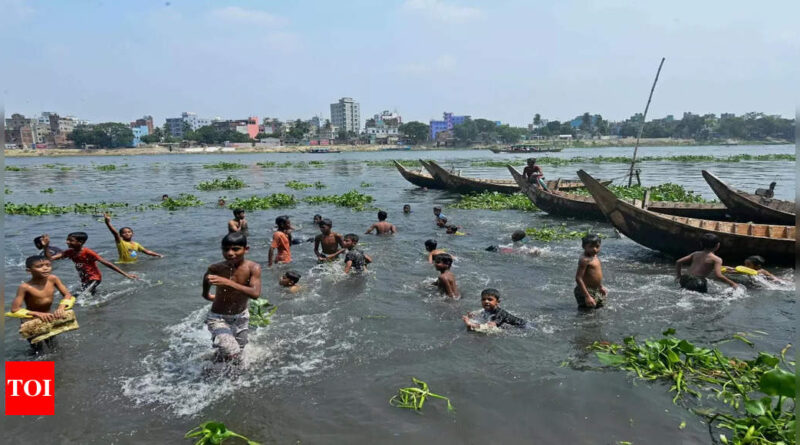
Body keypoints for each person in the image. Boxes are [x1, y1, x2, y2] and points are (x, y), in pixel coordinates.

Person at [202, 232, 262, 363]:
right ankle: (211, 374)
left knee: (239, 352)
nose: (230, 253)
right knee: (232, 351)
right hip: (218, 317)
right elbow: (207, 279)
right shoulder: (216, 268)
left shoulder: (253, 268)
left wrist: (228, 283)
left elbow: (255, 294)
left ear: (246, 249)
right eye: (225, 249)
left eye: (235, 249)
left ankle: (215, 367)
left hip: (241, 317)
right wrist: (206, 294)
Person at [8, 256, 76, 351]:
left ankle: (57, 365)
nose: (45, 268)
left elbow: (67, 295)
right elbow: (15, 309)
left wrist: (61, 307)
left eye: (48, 265)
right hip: (31, 321)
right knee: (37, 350)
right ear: (29, 270)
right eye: (39, 266)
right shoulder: (25, 287)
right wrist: (37, 313)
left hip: (48, 318)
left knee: (54, 347)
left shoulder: (53, 279)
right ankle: (34, 366)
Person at [40, 232, 137, 295]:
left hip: (94, 278)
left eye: (70, 240)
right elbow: (50, 259)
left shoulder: (88, 252)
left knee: (83, 296)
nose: (67, 242)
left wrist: (126, 274)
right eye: (67, 240)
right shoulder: (69, 252)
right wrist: (46, 247)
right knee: (90, 295)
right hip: (84, 278)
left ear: (80, 242)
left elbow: (107, 263)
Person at [462, 288, 527, 330]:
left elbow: (490, 326)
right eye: (483, 299)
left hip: (523, 326)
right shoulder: (487, 309)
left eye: (490, 299)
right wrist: (472, 315)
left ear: (497, 302)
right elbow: (481, 312)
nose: (486, 301)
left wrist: (470, 324)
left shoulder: (500, 313)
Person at [574, 234, 607, 308]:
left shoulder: (594, 256)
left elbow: (594, 275)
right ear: (584, 247)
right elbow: (578, 278)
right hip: (585, 291)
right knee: (586, 313)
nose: (595, 249)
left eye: (597, 246)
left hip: (595, 289)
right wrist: (587, 296)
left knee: (600, 307)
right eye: (591, 247)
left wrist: (600, 287)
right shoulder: (584, 260)